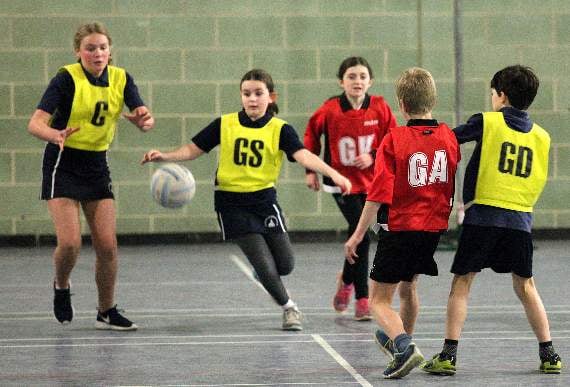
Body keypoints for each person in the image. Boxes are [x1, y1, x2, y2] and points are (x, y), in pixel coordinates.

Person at [141, 69, 352, 331]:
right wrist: (164, 156)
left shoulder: (280, 129)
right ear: (241, 97)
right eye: (246, 94)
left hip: (264, 201)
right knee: (264, 264)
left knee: (285, 264)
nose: (252, 99)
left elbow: (303, 156)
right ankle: (289, 308)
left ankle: (266, 275)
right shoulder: (225, 124)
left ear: (271, 96)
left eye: (258, 93)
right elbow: (193, 149)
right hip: (231, 203)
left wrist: (334, 174)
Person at [420, 65, 563, 375]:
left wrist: (419, 134)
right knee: (526, 286)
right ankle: (549, 353)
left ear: (501, 95)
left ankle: (448, 354)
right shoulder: (542, 136)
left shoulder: (487, 122)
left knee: (462, 283)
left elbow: (447, 139)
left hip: (483, 216)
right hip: (520, 221)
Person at [27, 22, 154, 331]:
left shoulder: (122, 79)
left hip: (96, 164)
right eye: (90, 48)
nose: (97, 53)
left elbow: (143, 114)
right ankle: (62, 284)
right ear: (78, 52)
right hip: (63, 161)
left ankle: (106, 310)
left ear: (110, 51)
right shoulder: (66, 79)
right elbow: (35, 123)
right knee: (70, 243)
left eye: (102, 48)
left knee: (108, 246)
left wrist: (143, 121)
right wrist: (55, 134)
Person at [345, 67, 460, 379]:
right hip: (432, 229)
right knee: (408, 288)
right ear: (433, 100)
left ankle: (404, 344)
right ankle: (401, 344)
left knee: (378, 301)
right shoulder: (448, 137)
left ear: (402, 104)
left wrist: (356, 235)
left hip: (401, 227)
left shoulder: (394, 139)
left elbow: (378, 193)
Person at [304, 56, 397, 321]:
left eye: (362, 77)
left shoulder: (379, 108)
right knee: (363, 235)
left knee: (357, 233)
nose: (357, 81)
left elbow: (393, 140)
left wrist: (374, 154)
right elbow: (310, 137)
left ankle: (346, 279)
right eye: (352, 76)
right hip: (341, 184)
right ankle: (362, 297)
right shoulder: (330, 110)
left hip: (371, 183)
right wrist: (311, 171)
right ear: (341, 81)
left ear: (371, 81)